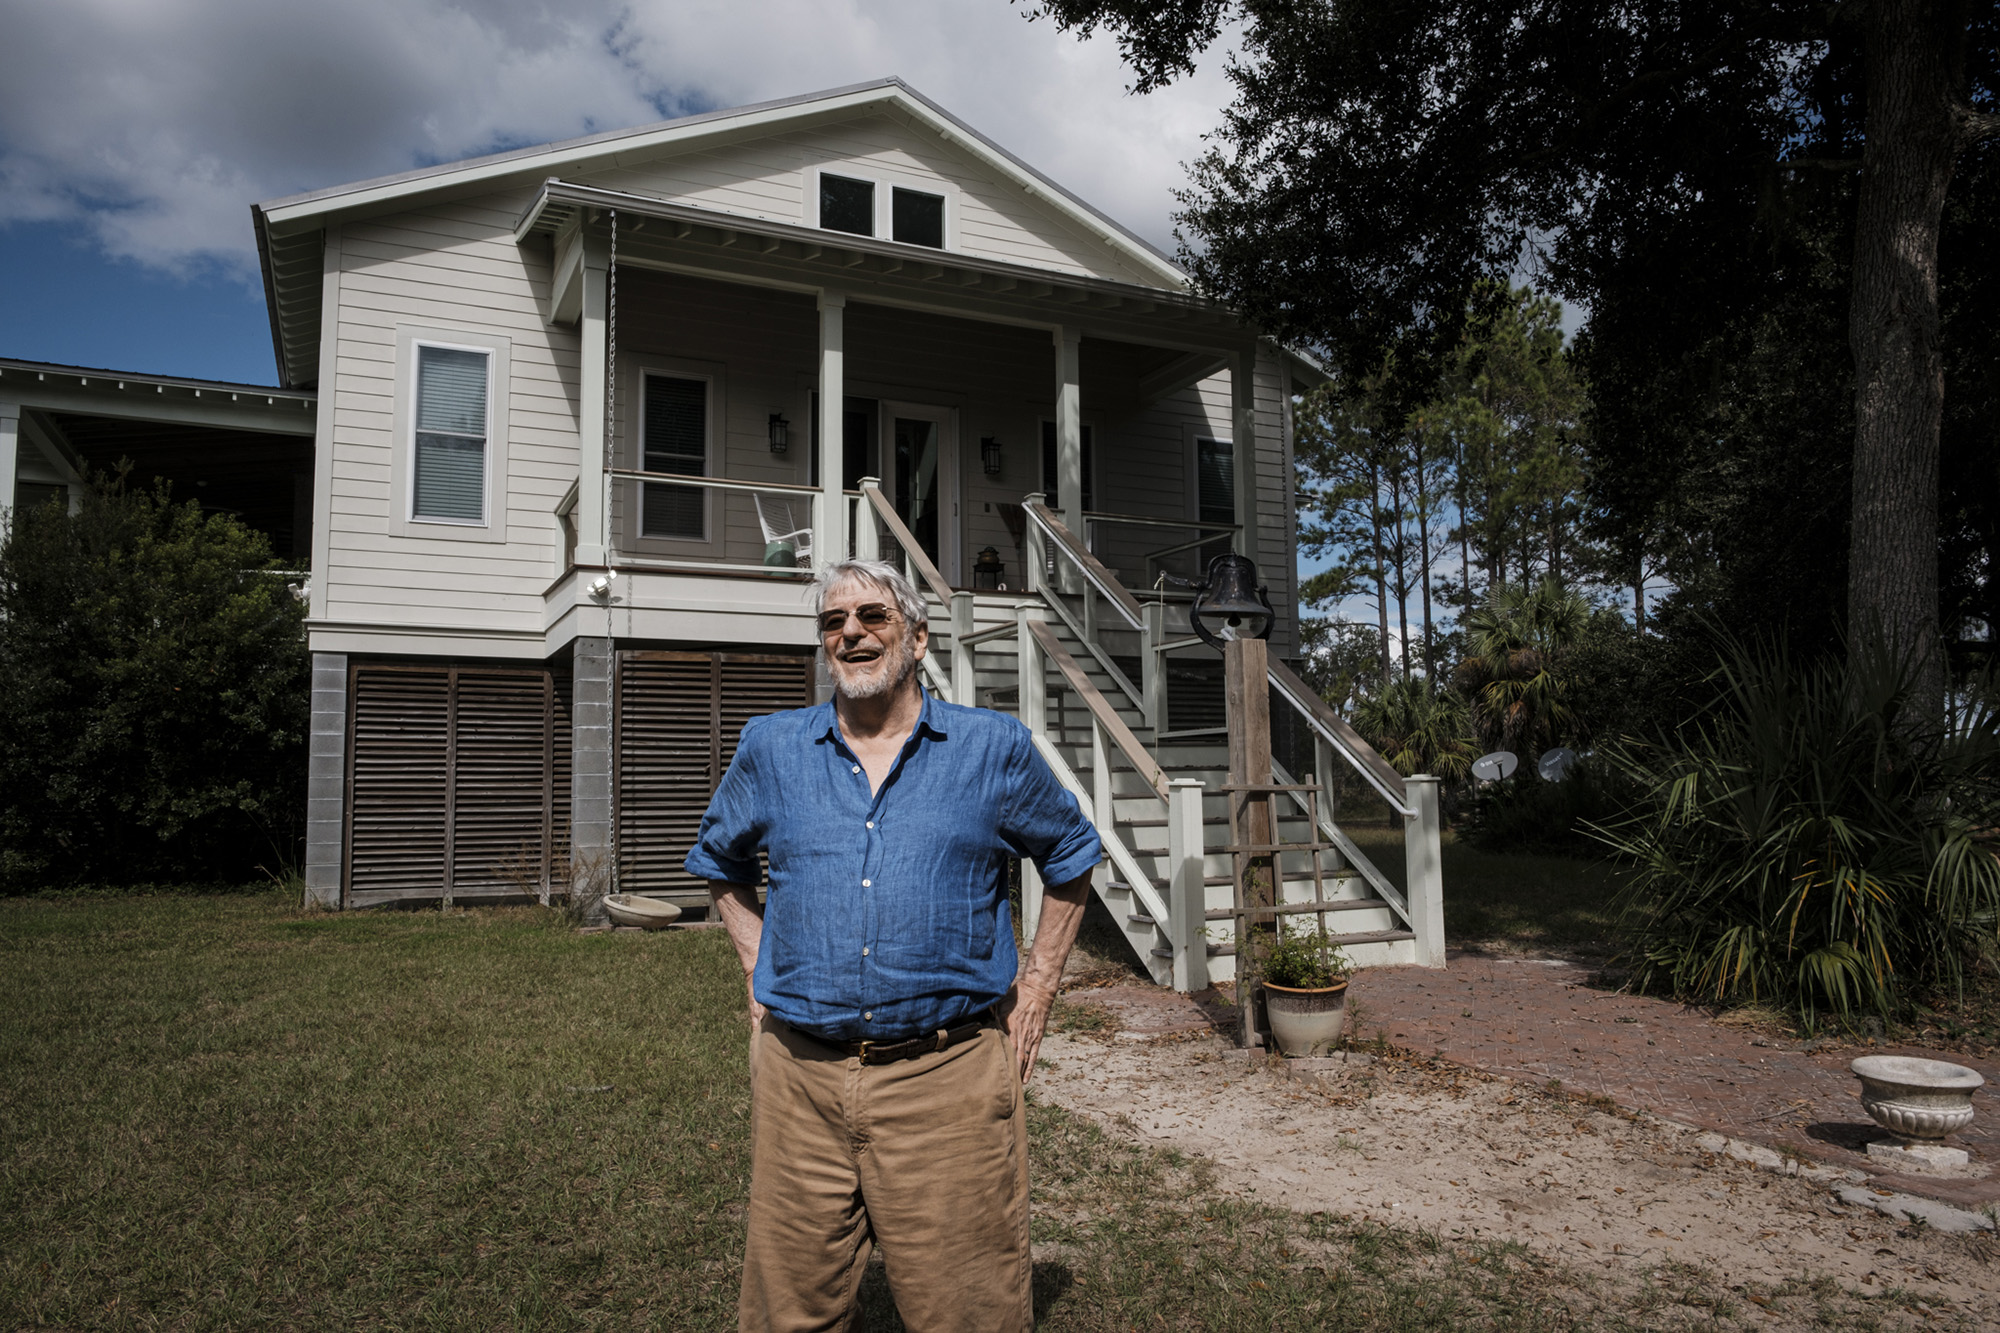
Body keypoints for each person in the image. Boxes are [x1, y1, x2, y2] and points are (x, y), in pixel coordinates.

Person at [685, 558, 1101, 1333]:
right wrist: (754, 966)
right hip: (798, 1080)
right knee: (788, 1306)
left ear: (916, 635)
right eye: (833, 622)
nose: (850, 632)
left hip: (945, 1080)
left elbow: (1071, 855)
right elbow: (720, 859)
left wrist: (1039, 987)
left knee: (966, 1308)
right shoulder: (772, 748)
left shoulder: (991, 748)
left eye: (872, 616)